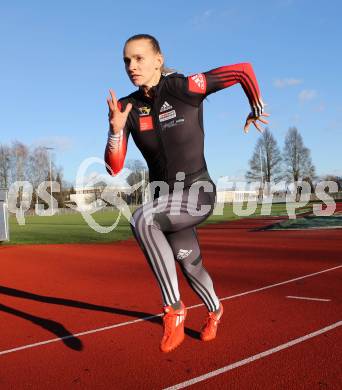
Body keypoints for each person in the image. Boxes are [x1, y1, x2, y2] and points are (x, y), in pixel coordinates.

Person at [105, 34, 269, 353]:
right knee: (189, 265)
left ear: (158, 59)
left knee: (142, 219)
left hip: (197, 194)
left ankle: (174, 309)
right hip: (166, 201)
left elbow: (243, 71)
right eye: (126, 60)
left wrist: (255, 108)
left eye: (139, 58)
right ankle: (216, 310)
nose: (131, 66)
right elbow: (114, 167)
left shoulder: (183, 87)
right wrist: (114, 131)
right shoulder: (126, 108)